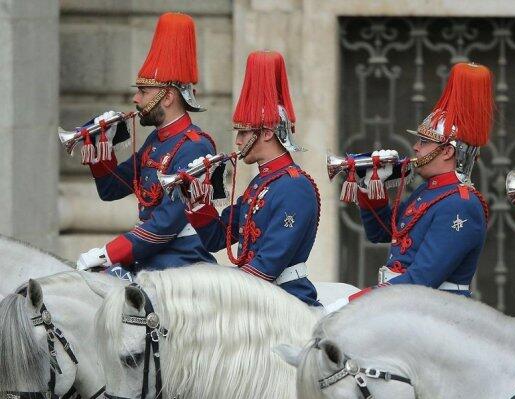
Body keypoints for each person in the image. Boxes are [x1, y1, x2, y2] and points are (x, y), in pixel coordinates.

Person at [328, 62, 493, 311]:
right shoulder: (430, 190)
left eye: (424, 142)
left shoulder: (459, 202)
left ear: (447, 151)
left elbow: (421, 280)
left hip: (436, 312)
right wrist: (371, 184)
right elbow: (382, 233)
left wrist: (355, 303)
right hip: (407, 304)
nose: (415, 147)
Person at [75, 12, 216, 275]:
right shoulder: (155, 140)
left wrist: (108, 253)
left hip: (181, 263)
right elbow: (111, 189)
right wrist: (99, 146)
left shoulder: (195, 146)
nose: (136, 99)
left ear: (168, 97)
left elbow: (166, 224)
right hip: (151, 258)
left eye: (143, 91)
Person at [184, 51, 321, 306]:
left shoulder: (294, 186)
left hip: (285, 300)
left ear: (267, 133)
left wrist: (219, 290)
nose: (237, 140)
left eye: (244, 132)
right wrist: (197, 200)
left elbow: (267, 265)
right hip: (254, 296)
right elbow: (217, 238)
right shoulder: (260, 184)